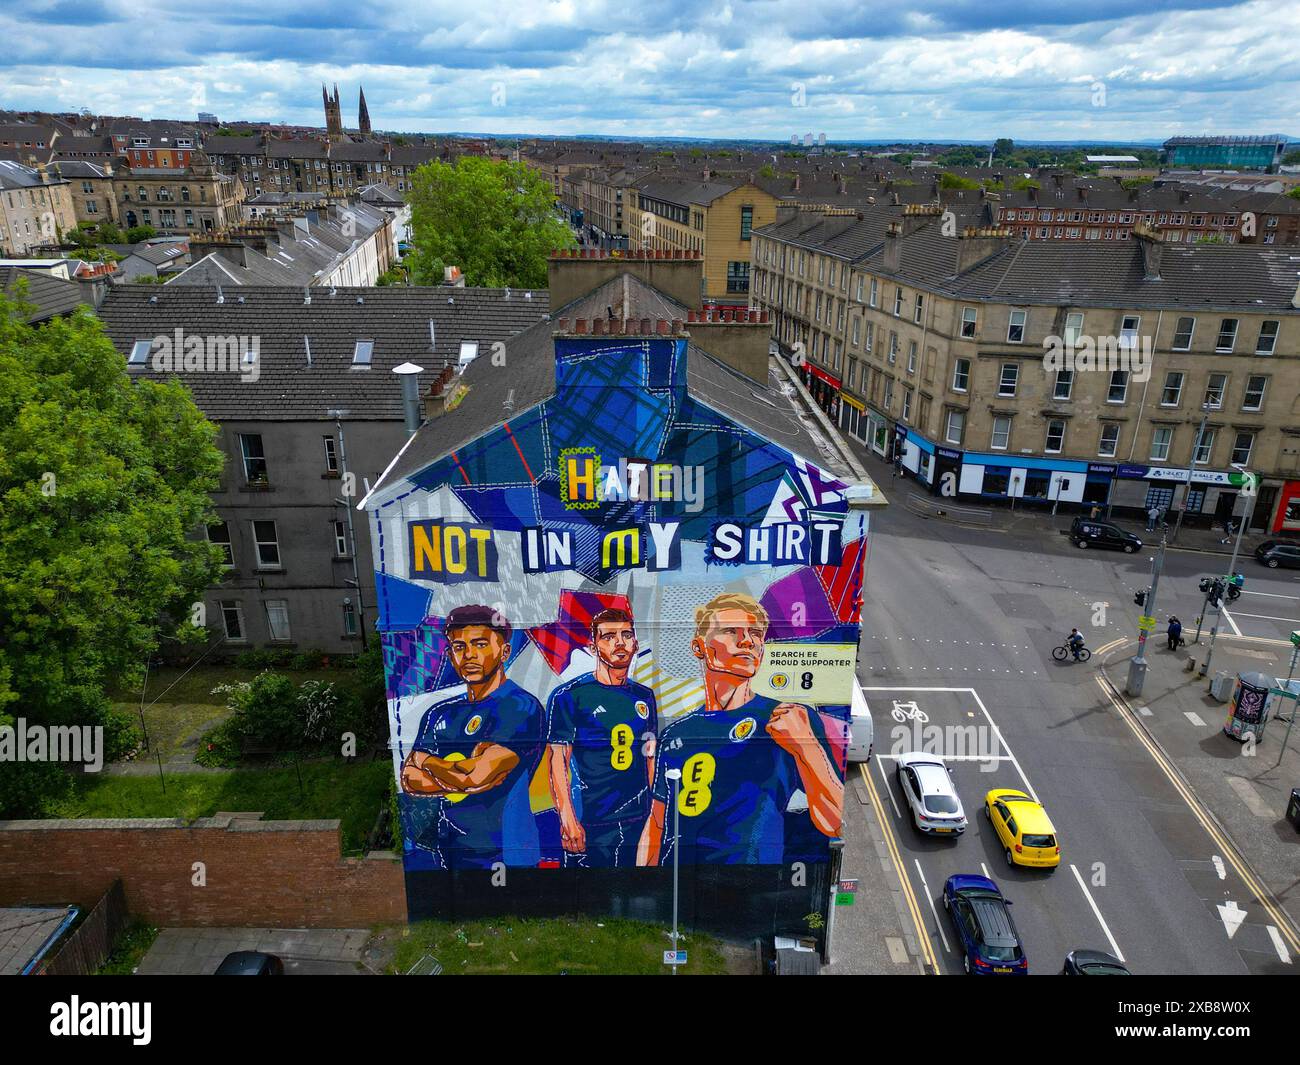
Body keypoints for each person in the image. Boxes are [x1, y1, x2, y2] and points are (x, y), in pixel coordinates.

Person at [638, 592, 842, 866]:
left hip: (750, 889)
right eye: (730, 631)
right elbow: (656, 823)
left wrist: (808, 748)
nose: (747, 640)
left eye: (756, 633)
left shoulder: (789, 718)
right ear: (700, 647)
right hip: (680, 887)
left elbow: (834, 823)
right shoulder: (676, 734)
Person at [401, 606, 545, 870]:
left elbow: (474, 776)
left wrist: (429, 762)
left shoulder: (520, 706)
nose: (468, 655)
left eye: (479, 644)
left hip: (506, 852)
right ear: (450, 655)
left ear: (504, 651)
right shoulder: (439, 713)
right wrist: (461, 778)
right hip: (451, 846)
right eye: (459, 647)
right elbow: (410, 779)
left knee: (509, 911)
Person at [546, 608, 658, 868]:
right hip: (592, 821)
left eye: (626, 635)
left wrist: (655, 815)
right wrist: (568, 820)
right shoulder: (570, 696)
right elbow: (558, 761)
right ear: (594, 646)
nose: (619, 642)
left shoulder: (644, 696)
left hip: (638, 819)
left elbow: (650, 757)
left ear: (636, 644)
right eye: (608, 636)